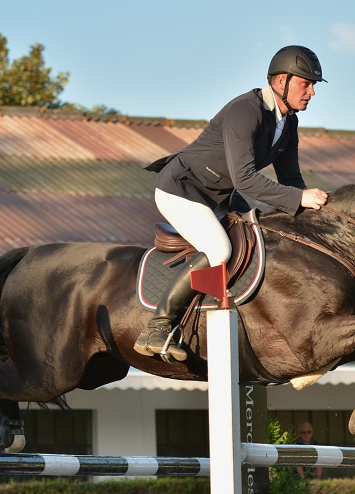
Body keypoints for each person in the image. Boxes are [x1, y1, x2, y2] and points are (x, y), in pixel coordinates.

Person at [134, 45, 329, 362]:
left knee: (259, 238)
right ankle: (158, 327)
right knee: (219, 250)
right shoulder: (245, 111)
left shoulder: (288, 123)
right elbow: (246, 179)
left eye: (313, 85)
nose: (312, 92)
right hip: (181, 190)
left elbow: (292, 181)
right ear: (281, 81)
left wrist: (318, 211)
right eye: (305, 84)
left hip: (219, 196)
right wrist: (298, 198)